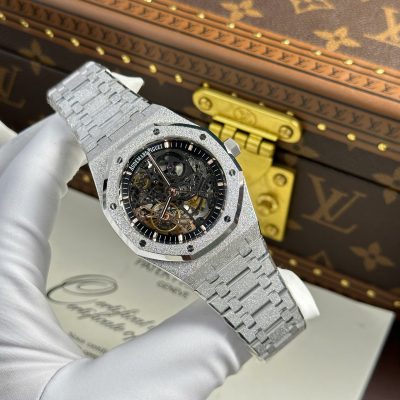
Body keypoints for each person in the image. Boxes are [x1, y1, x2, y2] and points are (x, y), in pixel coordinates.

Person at [0, 73, 317, 400]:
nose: (172, 192)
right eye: (165, 192)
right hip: (183, 233)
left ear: (227, 158)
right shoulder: (143, 201)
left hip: (219, 225)